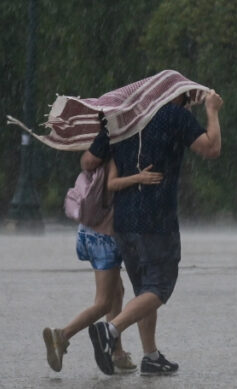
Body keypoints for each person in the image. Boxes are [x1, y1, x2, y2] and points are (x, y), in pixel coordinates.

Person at [88, 89, 222, 375]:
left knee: (142, 290)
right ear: (177, 98)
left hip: (124, 220)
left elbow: (88, 161)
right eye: (185, 99)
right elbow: (211, 148)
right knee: (159, 287)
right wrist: (211, 110)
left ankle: (151, 356)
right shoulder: (174, 116)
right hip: (156, 218)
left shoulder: (121, 118)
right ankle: (110, 332)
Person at [41, 125, 162, 374]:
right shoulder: (119, 148)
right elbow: (111, 184)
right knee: (104, 302)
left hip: (91, 229)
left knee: (117, 291)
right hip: (105, 236)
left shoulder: (100, 147)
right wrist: (139, 178)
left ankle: (116, 353)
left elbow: (89, 163)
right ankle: (61, 335)